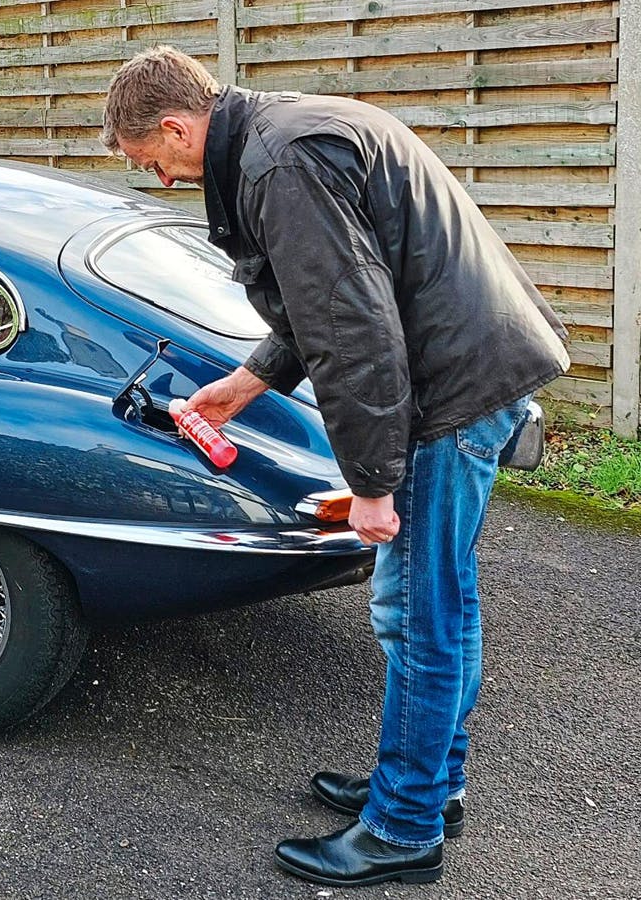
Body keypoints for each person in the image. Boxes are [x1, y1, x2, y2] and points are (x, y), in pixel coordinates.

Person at [99, 46, 569, 887]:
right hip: (473, 369)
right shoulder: (287, 132)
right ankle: (425, 782)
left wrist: (375, 486)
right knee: (430, 605)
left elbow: (356, 338)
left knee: (423, 615)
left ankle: (403, 827)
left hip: (449, 395)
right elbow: (333, 296)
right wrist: (248, 382)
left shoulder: (281, 166)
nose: (163, 178)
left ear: (175, 125)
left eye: (154, 161)